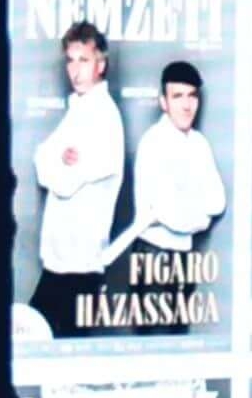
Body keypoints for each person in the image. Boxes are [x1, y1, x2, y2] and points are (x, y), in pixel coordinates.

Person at [25, 20, 125, 333]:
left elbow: (64, 183)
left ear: (101, 65)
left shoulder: (104, 116)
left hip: (81, 264)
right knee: (38, 336)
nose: (75, 70)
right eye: (70, 60)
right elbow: (41, 160)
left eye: (84, 60)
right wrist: (59, 158)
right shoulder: (79, 109)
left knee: (50, 341)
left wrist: (57, 162)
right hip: (62, 261)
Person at [125, 60, 226, 279]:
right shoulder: (153, 142)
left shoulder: (199, 143)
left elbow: (217, 201)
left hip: (185, 256)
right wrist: (202, 219)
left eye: (192, 96)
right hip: (153, 254)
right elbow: (169, 214)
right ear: (164, 102)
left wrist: (186, 208)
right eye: (178, 96)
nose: (187, 105)